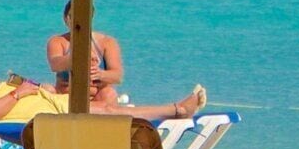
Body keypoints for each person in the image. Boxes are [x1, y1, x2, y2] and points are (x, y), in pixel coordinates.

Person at [40, 27, 209, 121]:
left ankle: (177, 110)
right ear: (66, 19)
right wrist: (76, 59)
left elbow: (117, 76)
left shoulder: (106, 42)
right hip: (68, 98)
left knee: (109, 94)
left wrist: (99, 74)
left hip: (96, 96)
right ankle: (176, 110)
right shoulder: (59, 41)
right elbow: (55, 64)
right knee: (107, 109)